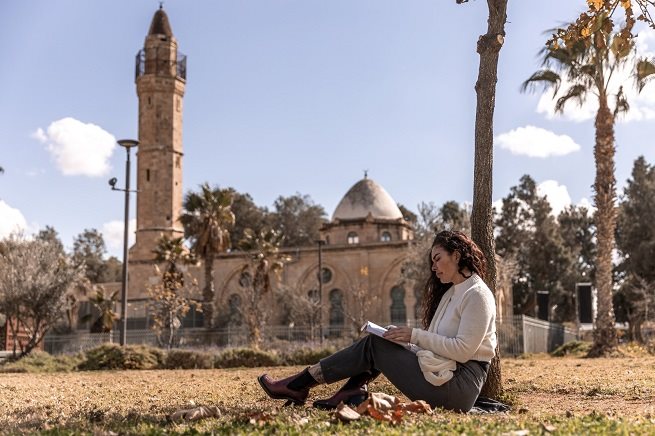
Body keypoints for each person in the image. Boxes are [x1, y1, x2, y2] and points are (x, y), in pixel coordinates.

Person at [258, 230, 497, 412]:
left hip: (457, 388)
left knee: (376, 345)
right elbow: (437, 346)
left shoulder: (476, 294)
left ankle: (300, 384)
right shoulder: (453, 293)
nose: (433, 268)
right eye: (432, 262)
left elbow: (463, 351)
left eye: (437, 259)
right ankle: (332, 389)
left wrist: (413, 335)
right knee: (381, 340)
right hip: (444, 374)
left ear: (456, 255)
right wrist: (403, 341)